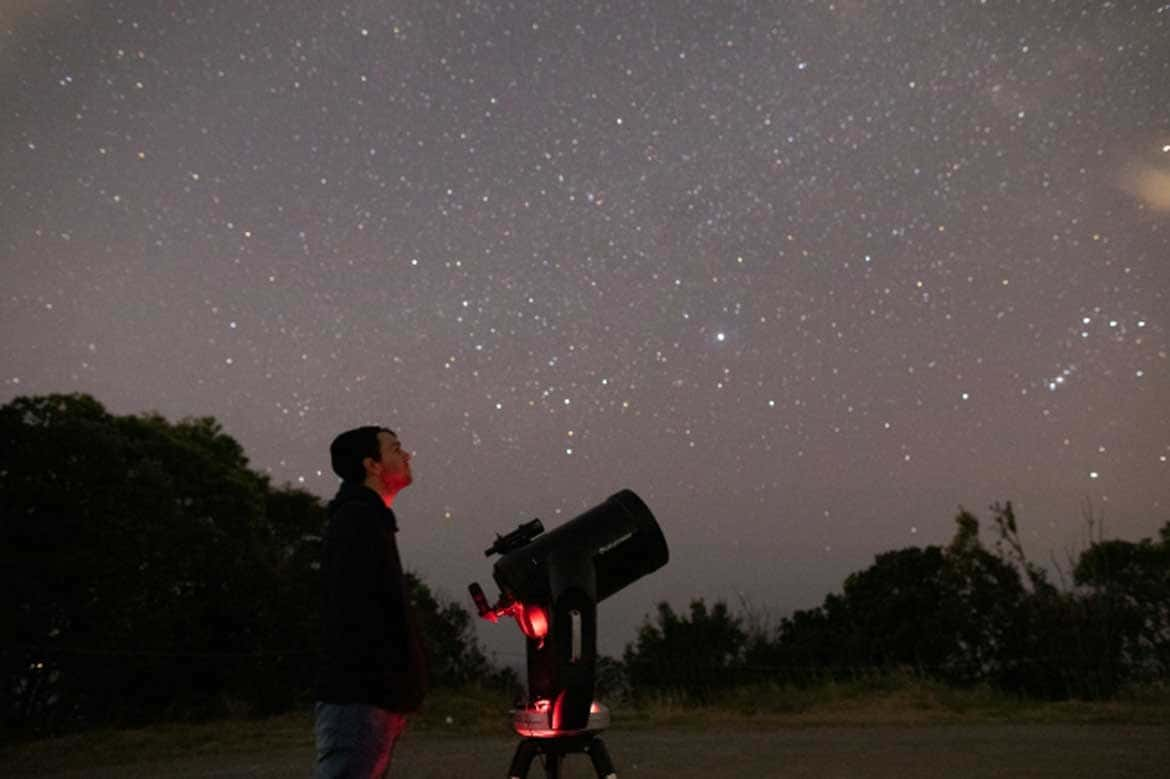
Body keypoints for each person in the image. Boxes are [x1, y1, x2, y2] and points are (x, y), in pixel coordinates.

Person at [314, 426, 428, 778]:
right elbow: (361, 615)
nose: (406, 455)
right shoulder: (358, 521)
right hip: (362, 698)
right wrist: (394, 682)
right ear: (372, 465)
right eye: (395, 449)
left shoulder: (365, 518)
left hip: (369, 697)